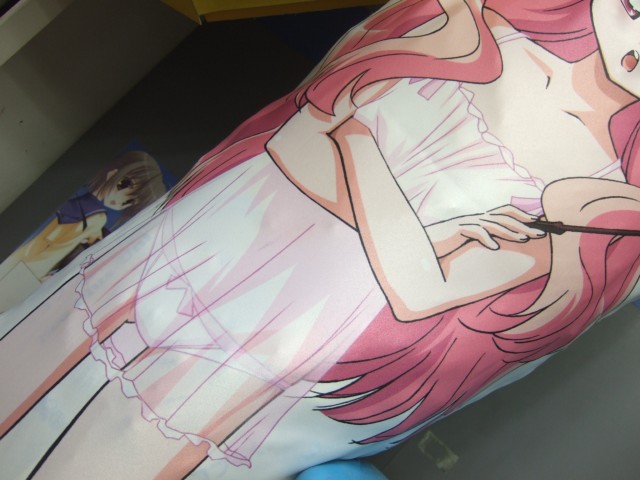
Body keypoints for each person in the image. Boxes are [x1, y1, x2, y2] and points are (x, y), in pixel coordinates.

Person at [1, 1, 640, 479]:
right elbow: (297, 138)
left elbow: (421, 290)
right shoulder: (469, 30)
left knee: (146, 435)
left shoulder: (599, 203)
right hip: (215, 233)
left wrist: (355, 140)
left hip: (296, 337)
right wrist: (414, 227)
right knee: (50, 357)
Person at [0, 150, 166, 282]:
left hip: (23, 264)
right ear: (113, 174)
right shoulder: (96, 217)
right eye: (125, 184)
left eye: (131, 202)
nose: (122, 201)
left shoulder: (90, 214)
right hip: (27, 267)